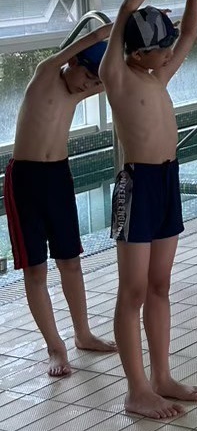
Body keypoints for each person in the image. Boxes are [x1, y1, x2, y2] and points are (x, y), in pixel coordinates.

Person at [100, 0, 197, 419]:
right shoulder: (116, 77)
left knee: (160, 286)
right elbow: (124, 14)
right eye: (160, 48)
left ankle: (161, 376)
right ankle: (136, 388)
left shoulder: (157, 74)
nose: (169, 53)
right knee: (134, 291)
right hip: (136, 185)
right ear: (139, 52)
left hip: (166, 180)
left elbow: (189, 32)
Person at [5, 26, 117, 377]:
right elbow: (84, 41)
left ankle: (83, 334)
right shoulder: (46, 74)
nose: (88, 86)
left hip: (58, 178)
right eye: (86, 76)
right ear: (72, 61)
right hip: (25, 180)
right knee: (35, 269)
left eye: (92, 82)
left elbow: (117, 73)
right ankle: (56, 347)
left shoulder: (77, 90)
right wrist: (124, 21)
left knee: (71, 262)